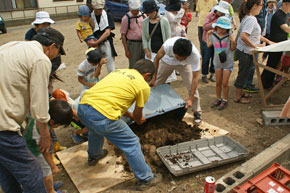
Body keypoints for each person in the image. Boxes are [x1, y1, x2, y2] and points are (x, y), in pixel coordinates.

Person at [77, 59, 162, 191]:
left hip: (83, 108)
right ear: (147, 75)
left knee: (94, 130)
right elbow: (138, 114)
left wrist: (128, 115)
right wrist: (138, 120)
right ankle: (146, 179)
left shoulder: (118, 71)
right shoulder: (143, 86)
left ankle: (94, 155)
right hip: (102, 116)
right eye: (150, 78)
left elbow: (112, 96)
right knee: (131, 142)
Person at [0, 27, 65, 193]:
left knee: (7, 171)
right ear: (51, 46)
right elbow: (39, 103)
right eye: (58, 52)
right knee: (33, 173)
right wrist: (45, 135)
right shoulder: (41, 59)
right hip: (3, 127)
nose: (56, 56)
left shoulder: (12, 46)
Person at [24, 100, 73, 193]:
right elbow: (44, 151)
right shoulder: (39, 132)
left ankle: (48, 186)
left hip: (32, 147)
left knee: (42, 171)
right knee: (46, 170)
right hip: (35, 152)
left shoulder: (39, 117)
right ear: (52, 122)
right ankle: (50, 190)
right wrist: (53, 165)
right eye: (58, 125)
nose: (58, 127)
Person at [150, 37, 202, 124]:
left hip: (184, 65)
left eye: (182, 58)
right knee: (156, 84)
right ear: (173, 52)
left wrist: (190, 98)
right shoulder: (167, 46)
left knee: (192, 87)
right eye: (178, 57)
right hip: (167, 62)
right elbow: (156, 59)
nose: (179, 60)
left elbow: (195, 78)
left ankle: (197, 112)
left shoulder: (195, 55)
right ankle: (153, 107)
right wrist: (153, 77)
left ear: (188, 55)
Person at [234, 0, 273, 104]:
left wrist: (267, 41)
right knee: (243, 73)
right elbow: (243, 36)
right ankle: (238, 96)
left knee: (244, 72)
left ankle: (241, 92)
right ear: (255, 5)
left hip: (244, 51)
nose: (262, 8)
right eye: (261, 5)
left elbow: (254, 34)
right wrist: (255, 46)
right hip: (246, 52)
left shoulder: (249, 17)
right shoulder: (251, 19)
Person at [207, 16, 235, 110]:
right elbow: (208, 45)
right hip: (217, 62)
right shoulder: (214, 35)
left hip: (228, 62)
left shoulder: (229, 36)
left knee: (225, 83)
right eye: (220, 28)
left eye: (224, 28)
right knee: (218, 82)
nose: (222, 30)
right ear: (216, 27)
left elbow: (233, 48)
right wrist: (208, 35)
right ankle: (218, 98)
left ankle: (225, 100)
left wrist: (232, 40)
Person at [261, 0, 290, 89]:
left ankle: (267, 82)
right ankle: (265, 83)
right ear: (285, 4)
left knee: (275, 64)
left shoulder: (285, 14)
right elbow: (285, 28)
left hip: (280, 44)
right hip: (275, 43)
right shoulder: (279, 15)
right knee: (272, 64)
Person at [201, 1, 230, 83]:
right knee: (206, 58)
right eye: (221, 12)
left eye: (223, 13)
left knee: (216, 58)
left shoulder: (225, 19)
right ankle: (204, 75)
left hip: (218, 41)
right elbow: (205, 26)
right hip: (208, 40)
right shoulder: (209, 15)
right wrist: (216, 23)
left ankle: (212, 74)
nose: (222, 14)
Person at [86, 0, 117, 73]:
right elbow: (87, 30)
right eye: (97, 9)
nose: (99, 11)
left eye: (100, 9)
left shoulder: (108, 14)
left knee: (110, 64)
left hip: (106, 41)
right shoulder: (90, 16)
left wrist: (97, 42)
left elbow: (107, 32)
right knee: (94, 65)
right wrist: (91, 41)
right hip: (94, 41)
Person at [142, 0, 171, 73]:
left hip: (162, 52)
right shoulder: (145, 22)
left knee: (162, 74)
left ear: (156, 10)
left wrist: (165, 51)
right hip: (151, 53)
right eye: (148, 13)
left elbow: (168, 37)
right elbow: (144, 37)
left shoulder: (164, 21)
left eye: (151, 12)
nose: (150, 14)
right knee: (151, 73)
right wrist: (146, 50)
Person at [120, 0, 145, 69]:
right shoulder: (126, 18)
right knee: (134, 64)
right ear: (130, 9)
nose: (135, 12)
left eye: (137, 10)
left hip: (143, 43)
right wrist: (126, 50)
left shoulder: (143, 16)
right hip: (133, 45)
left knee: (143, 63)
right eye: (133, 10)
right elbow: (123, 35)